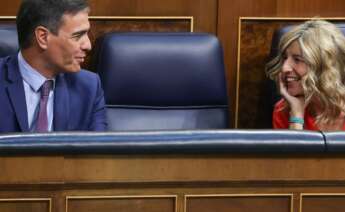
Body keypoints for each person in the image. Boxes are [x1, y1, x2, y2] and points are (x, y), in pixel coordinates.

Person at [0, 0, 107, 133]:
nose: (88, 45)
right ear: (43, 37)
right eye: (78, 35)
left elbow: (97, 150)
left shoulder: (89, 87)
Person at [266, 19, 345, 131]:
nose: (284, 68)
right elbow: (293, 148)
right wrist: (296, 115)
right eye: (284, 58)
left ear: (324, 66)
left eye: (297, 59)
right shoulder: (283, 110)